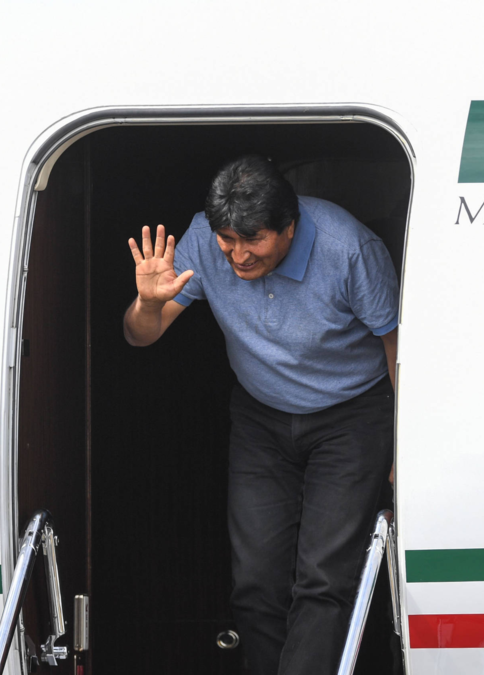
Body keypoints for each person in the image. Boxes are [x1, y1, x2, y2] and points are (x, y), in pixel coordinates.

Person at [122, 155, 398, 675]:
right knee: (254, 582)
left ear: (290, 227)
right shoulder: (203, 240)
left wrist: (404, 444)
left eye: (254, 240)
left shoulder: (348, 248)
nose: (239, 255)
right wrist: (148, 304)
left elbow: (395, 342)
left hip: (351, 417)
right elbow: (141, 336)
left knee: (323, 580)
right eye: (228, 240)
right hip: (261, 418)